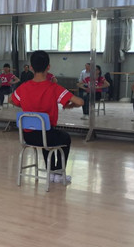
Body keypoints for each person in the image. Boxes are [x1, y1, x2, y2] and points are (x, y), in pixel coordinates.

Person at [12, 50, 83, 183]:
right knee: (64, 137)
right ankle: (59, 173)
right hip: (47, 136)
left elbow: (11, 100)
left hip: (27, 137)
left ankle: (50, 172)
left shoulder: (23, 87)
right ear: (48, 67)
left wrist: (25, 105)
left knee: (46, 134)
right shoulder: (54, 88)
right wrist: (69, 106)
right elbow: (80, 102)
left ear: (31, 67)